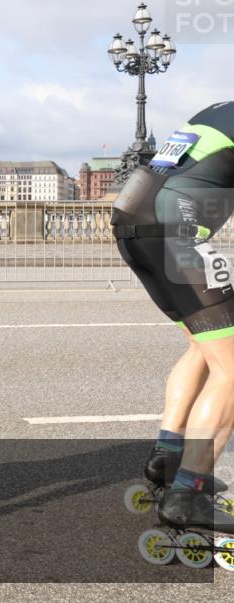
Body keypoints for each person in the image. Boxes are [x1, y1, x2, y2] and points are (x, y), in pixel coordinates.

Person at [112, 101, 234, 531]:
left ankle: (169, 457)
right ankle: (189, 493)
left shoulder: (219, 109)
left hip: (131, 221)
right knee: (233, 369)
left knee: (206, 344)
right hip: (176, 232)